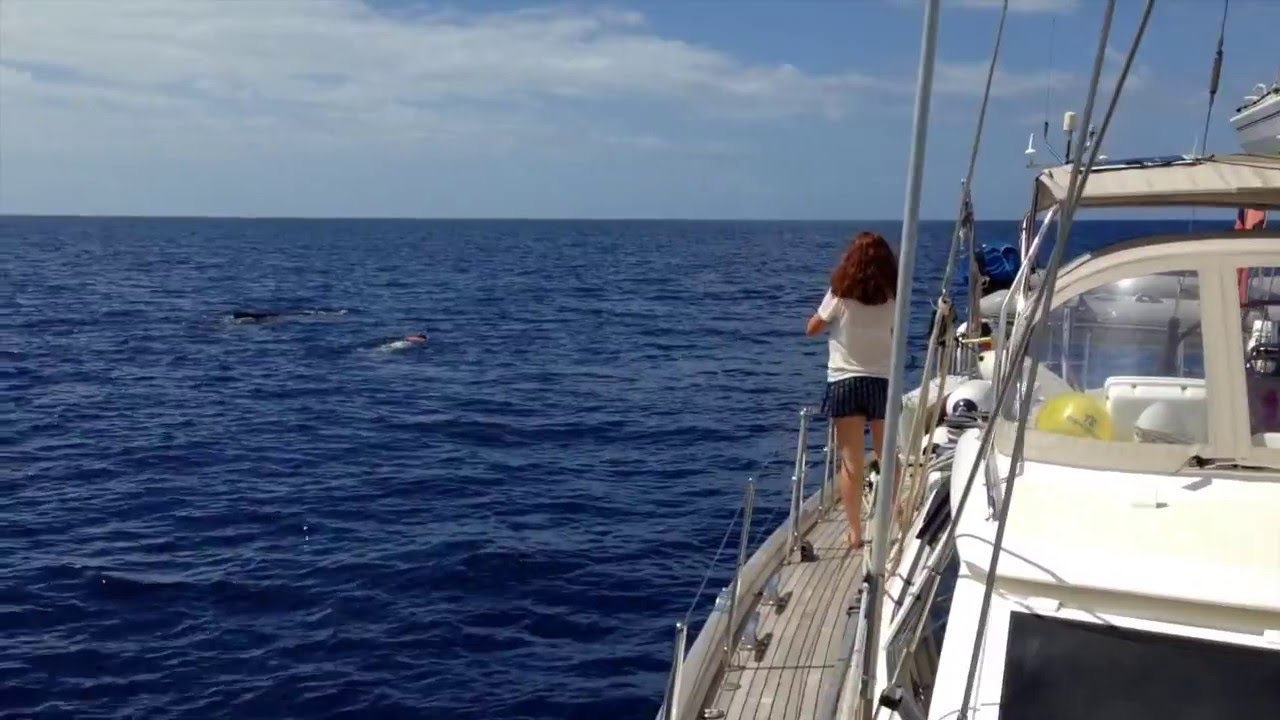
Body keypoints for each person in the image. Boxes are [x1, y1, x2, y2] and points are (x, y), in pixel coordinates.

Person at [806, 231, 897, 550]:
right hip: (880, 380)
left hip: (845, 381)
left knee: (852, 463)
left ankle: (856, 533)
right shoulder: (892, 294)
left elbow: (813, 328)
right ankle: (896, 520)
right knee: (887, 455)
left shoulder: (840, 294)